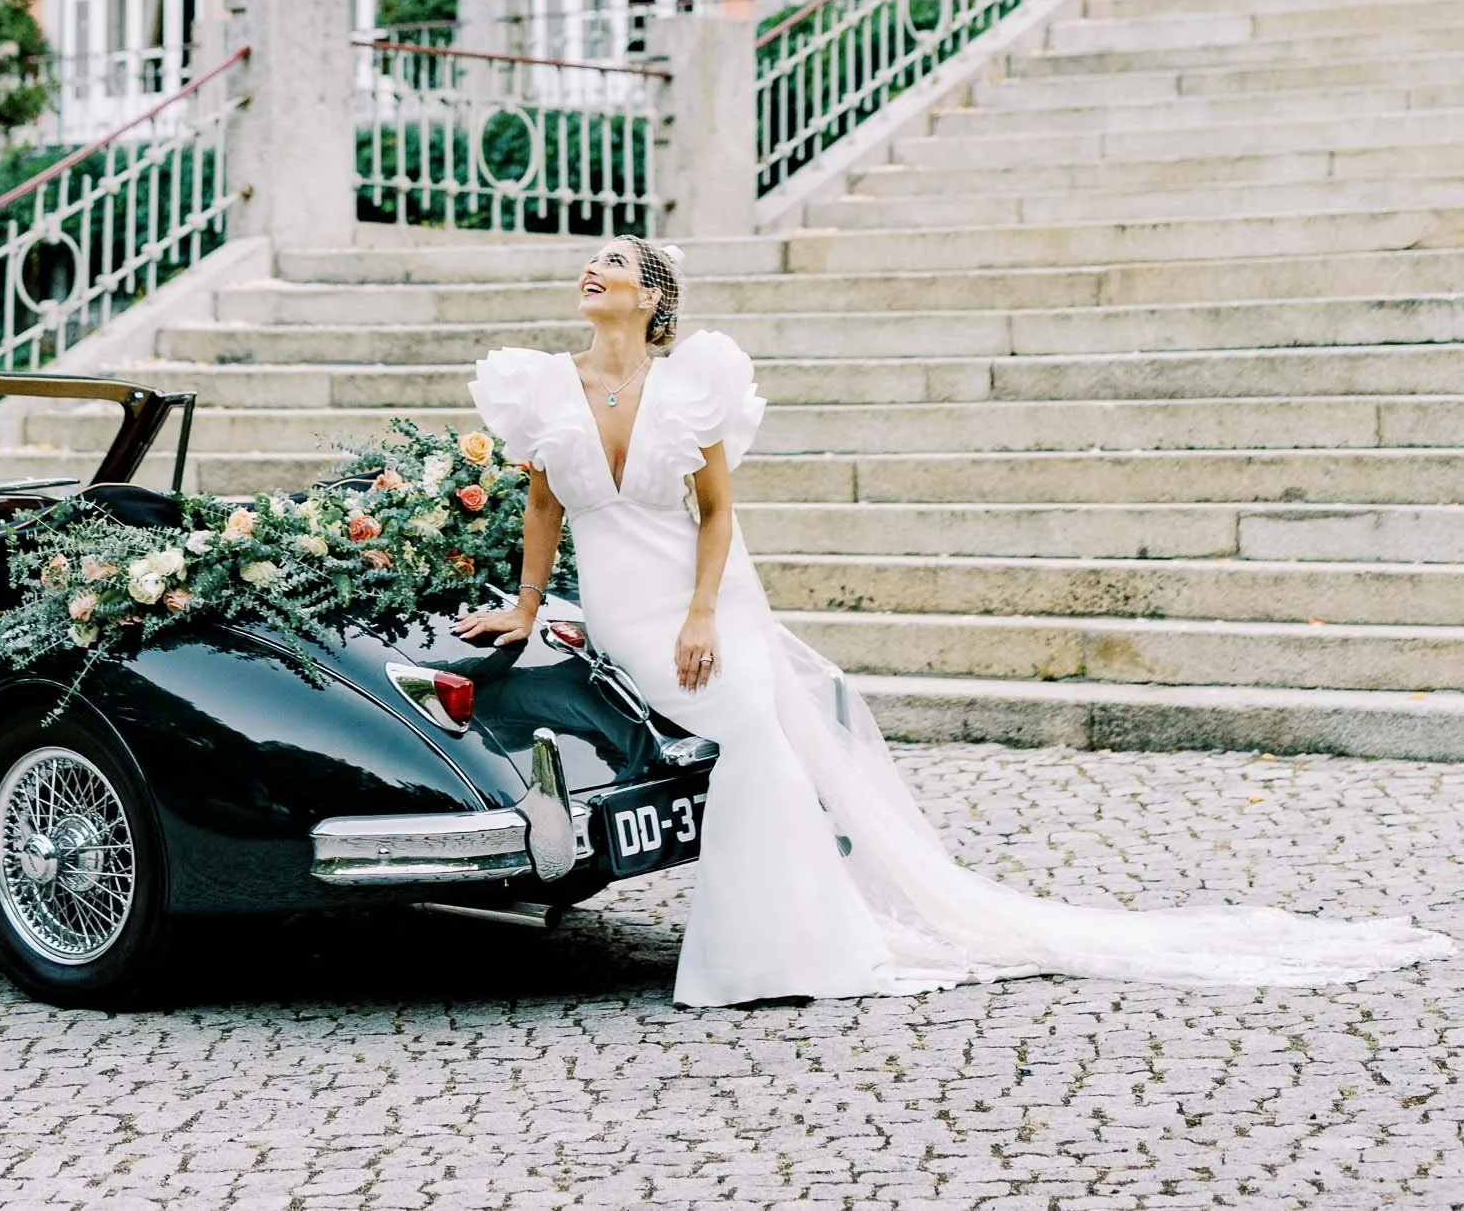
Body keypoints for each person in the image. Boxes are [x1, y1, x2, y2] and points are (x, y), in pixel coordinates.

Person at [454, 238, 1455, 1010]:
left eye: (618, 264)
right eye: (594, 262)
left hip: (694, 608)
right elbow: (544, 508)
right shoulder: (545, 387)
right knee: (744, 750)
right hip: (622, 616)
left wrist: (708, 611)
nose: (595, 269)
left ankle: (779, 951)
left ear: (654, 297)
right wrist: (531, 605)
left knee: (757, 740)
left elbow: (718, 515)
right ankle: (789, 934)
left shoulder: (691, 387)